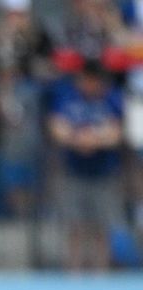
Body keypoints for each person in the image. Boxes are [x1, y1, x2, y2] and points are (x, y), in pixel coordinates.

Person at [48, 58, 125, 270]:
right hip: (74, 172)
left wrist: (94, 140)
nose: (90, 86)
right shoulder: (67, 97)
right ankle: (74, 275)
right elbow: (56, 127)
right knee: (75, 227)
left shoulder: (111, 98)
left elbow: (116, 132)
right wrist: (76, 139)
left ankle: (102, 275)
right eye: (86, 81)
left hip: (104, 173)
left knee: (102, 227)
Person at [0, 0, 53, 216]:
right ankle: (21, 217)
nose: (15, 20)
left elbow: (50, 69)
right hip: (10, 110)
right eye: (10, 15)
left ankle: (39, 215)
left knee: (40, 167)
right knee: (12, 168)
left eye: (20, 15)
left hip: (36, 109)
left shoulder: (41, 36)